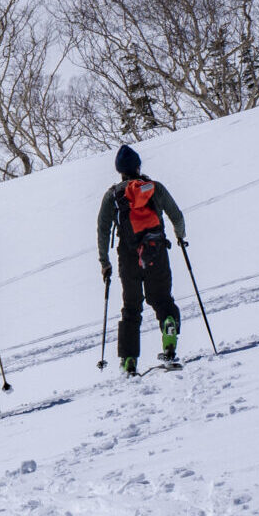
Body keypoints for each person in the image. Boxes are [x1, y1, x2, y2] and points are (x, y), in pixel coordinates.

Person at [97, 144, 188, 374]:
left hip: (128, 259)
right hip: (156, 251)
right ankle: (169, 330)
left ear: (120, 171)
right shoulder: (153, 188)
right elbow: (176, 215)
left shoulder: (113, 196)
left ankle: (129, 360)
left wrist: (104, 262)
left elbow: (103, 229)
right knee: (162, 300)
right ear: (138, 166)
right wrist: (180, 236)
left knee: (131, 308)